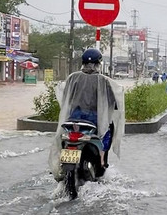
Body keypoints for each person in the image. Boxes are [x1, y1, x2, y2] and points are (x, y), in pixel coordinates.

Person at [49, 48, 125, 179]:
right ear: (98, 64)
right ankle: (102, 161)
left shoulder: (73, 77)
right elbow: (115, 98)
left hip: (73, 120)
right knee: (108, 130)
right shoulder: (104, 81)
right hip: (94, 121)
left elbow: (65, 94)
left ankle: (61, 163)